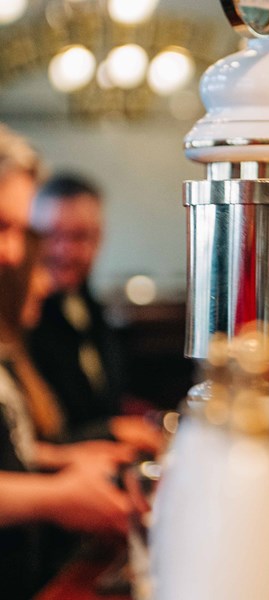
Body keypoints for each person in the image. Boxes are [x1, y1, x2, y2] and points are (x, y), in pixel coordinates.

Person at [0, 124, 134, 600]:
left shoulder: (94, 310)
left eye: (19, 231)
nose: (18, 256)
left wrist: (63, 459)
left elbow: (16, 447)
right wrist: (57, 495)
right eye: (4, 227)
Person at [28, 173, 161, 453]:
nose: (66, 251)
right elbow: (30, 441)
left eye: (80, 237)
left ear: (99, 238)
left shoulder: (90, 305)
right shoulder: (22, 321)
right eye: (53, 235)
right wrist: (110, 431)